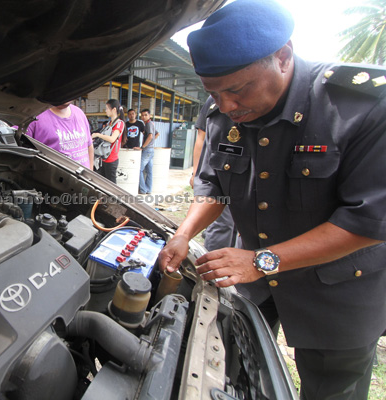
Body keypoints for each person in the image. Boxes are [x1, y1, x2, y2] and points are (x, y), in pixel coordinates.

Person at [158, 1, 386, 399]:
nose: (227, 106)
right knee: (247, 380)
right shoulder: (222, 114)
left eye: (237, 89)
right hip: (257, 286)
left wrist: (262, 260)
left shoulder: (359, 107)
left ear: (283, 57)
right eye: (214, 92)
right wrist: (183, 233)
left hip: (337, 293)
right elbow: (214, 186)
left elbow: (369, 221)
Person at [192, 97, 238, 251]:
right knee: (222, 225)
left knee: (237, 227)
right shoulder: (212, 101)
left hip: (244, 176)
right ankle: (211, 269)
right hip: (219, 175)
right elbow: (201, 138)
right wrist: (195, 173)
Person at [26, 102, 94, 169]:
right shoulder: (31, 117)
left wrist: (91, 176)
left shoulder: (79, 113)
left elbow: (89, 146)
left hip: (84, 179)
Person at [92, 99, 125, 183]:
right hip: (104, 158)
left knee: (111, 186)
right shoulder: (110, 123)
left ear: (114, 110)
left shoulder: (119, 123)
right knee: (103, 184)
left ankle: (114, 197)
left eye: (107, 108)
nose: (105, 111)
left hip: (111, 159)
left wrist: (98, 135)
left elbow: (112, 139)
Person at [138, 109, 158, 194]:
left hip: (147, 150)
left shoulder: (149, 124)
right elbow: (157, 134)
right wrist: (151, 143)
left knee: (139, 169)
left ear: (149, 115)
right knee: (149, 171)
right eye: (142, 115)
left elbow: (150, 136)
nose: (144, 117)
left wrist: (143, 146)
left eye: (146, 115)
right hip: (151, 149)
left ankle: (143, 189)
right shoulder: (150, 124)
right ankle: (148, 189)